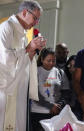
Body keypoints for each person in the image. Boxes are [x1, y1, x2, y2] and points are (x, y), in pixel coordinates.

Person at [0, 1, 46, 131]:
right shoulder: (7, 27)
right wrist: (28, 48)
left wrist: (33, 49)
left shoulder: (24, 33)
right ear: (25, 12)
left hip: (19, 91)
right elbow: (4, 59)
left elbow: (25, 60)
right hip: (6, 90)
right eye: (35, 18)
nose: (36, 22)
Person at [30, 48, 70, 131]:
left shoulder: (60, 72)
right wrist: (50, 106)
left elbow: (66, 92)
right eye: (48, 60)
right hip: (38, 113)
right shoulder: (35, 71)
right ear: (42, 59)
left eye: (53, 60)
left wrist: (59, 105)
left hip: (55, 114)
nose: (51, 63)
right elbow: (33, 94)